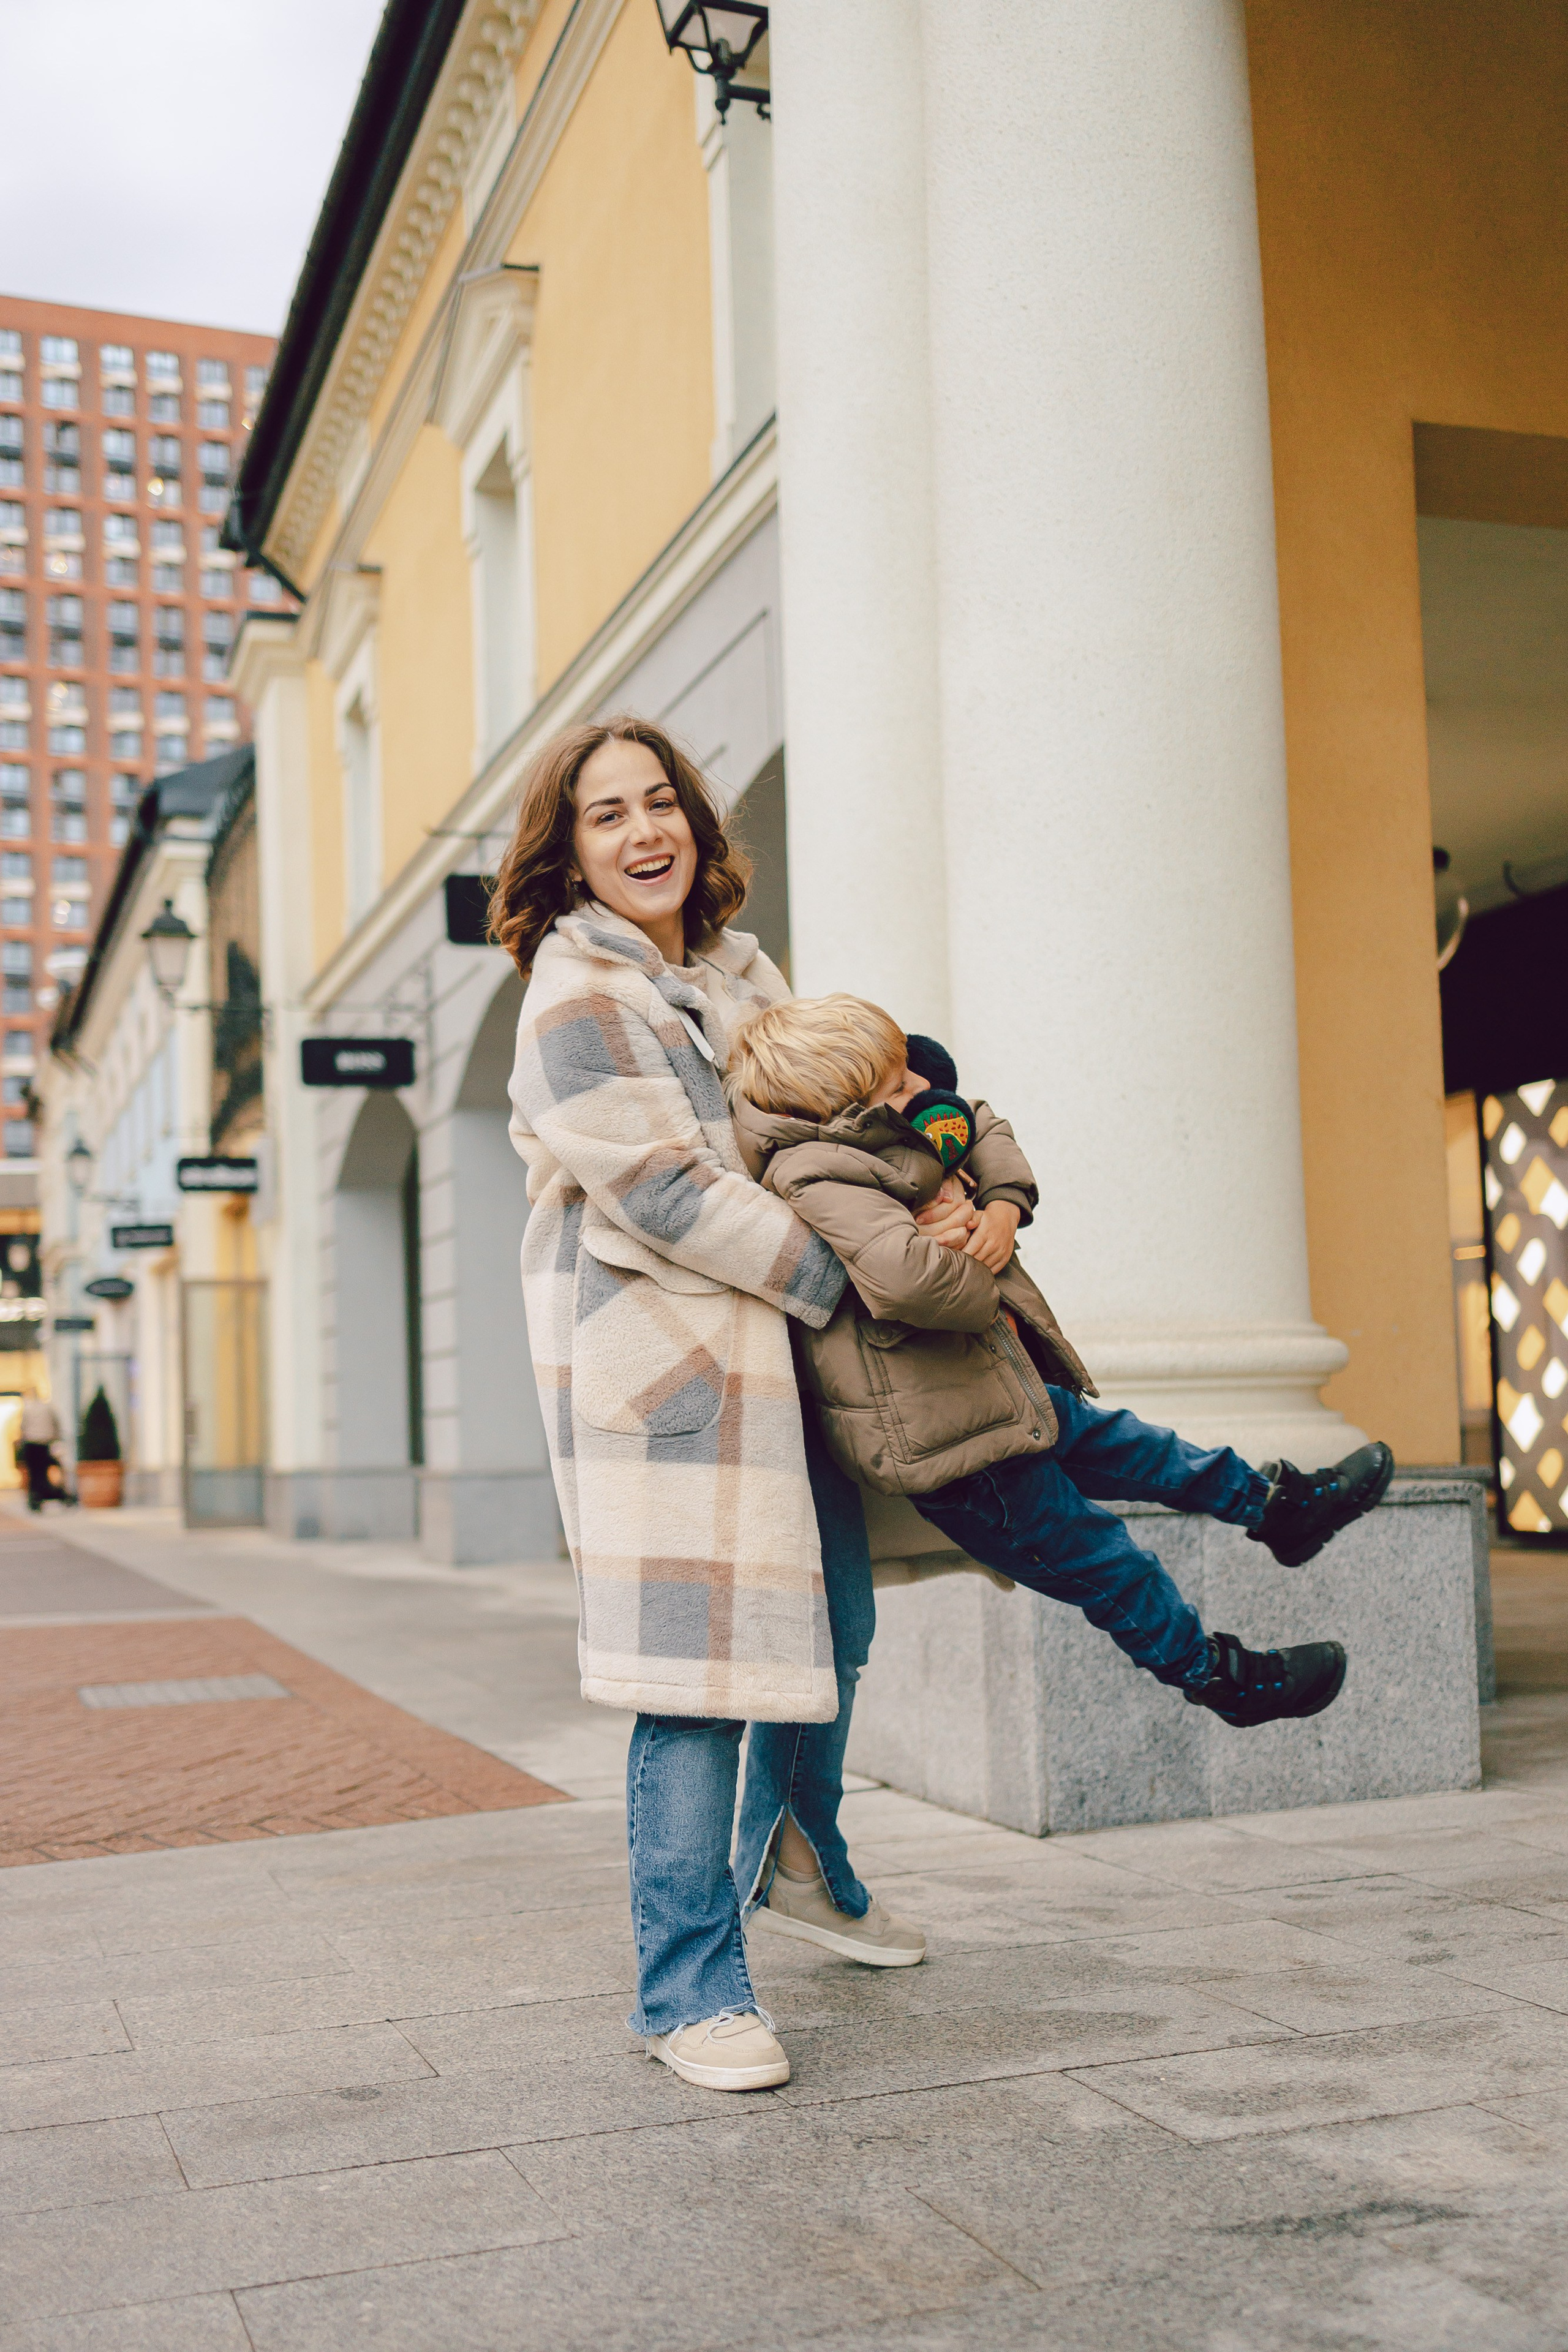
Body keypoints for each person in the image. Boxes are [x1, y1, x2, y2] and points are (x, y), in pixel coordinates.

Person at [496, 718, 933, 2098]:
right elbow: (668, 1190)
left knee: (833, 1624)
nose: (643, 834)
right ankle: (685, 1991)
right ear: (567, 855)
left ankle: (800, 1860)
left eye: (659, 804)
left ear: (694, 819)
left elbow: (813, 1124)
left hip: (784, 1360)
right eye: (605, 817)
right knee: (686, 1688)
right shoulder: (574, 994)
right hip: (675, 1369)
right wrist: (851, 1274)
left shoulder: (739, 971)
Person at [726, 992, 1395, 1724]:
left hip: (996, 1390)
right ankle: (1217, 1677)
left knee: (1146, 1449)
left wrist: (1000, 1209)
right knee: (1106, 1562)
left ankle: (1278, 1510)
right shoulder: (817, 1173)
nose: (920, 1090)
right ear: (845, 1107)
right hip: (958, 1448)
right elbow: (908, 1280)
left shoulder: (896, 1127)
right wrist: (969, 1254)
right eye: (897, 1087)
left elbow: (979, 1122)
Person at [18, 1389, 61, 1513]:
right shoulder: (48, 1408)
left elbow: (23, 1427)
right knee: (43, 1471)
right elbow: (56, 1423)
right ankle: (43, 1494)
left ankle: (35, 1497)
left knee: (34, 1472)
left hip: (31, 1443)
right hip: (45, 1443)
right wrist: (56, 1437)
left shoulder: (27, 1409)